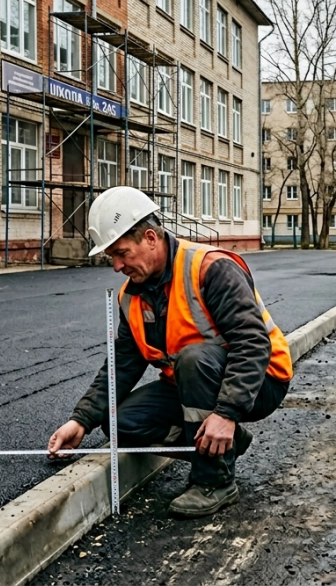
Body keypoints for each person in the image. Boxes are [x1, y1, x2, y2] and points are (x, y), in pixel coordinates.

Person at [47, 187, 292, 518]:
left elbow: (252, 343)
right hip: (192, 382)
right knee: (122, 425)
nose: (117, 266)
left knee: (194, 358)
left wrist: (226, 414)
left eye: (121, 253)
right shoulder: (131, 297)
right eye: (111, 257)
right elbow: (122, 365)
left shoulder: (210, 268)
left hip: (260, 381)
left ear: (150, 238)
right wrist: (81, 420)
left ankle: (214, 480)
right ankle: (224, 444)